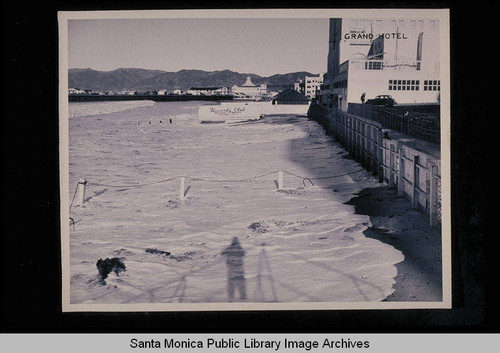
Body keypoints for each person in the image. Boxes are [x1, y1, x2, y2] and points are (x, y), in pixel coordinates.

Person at [221, 237, 247, 301]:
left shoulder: (229, 249)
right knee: (241, 285)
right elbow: (244, 253)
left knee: (231, 285)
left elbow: (223, 253)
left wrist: (228, 259)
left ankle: (231, 299)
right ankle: (243, 297)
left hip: (231, 271)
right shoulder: (241, 249)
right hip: (240, 272)